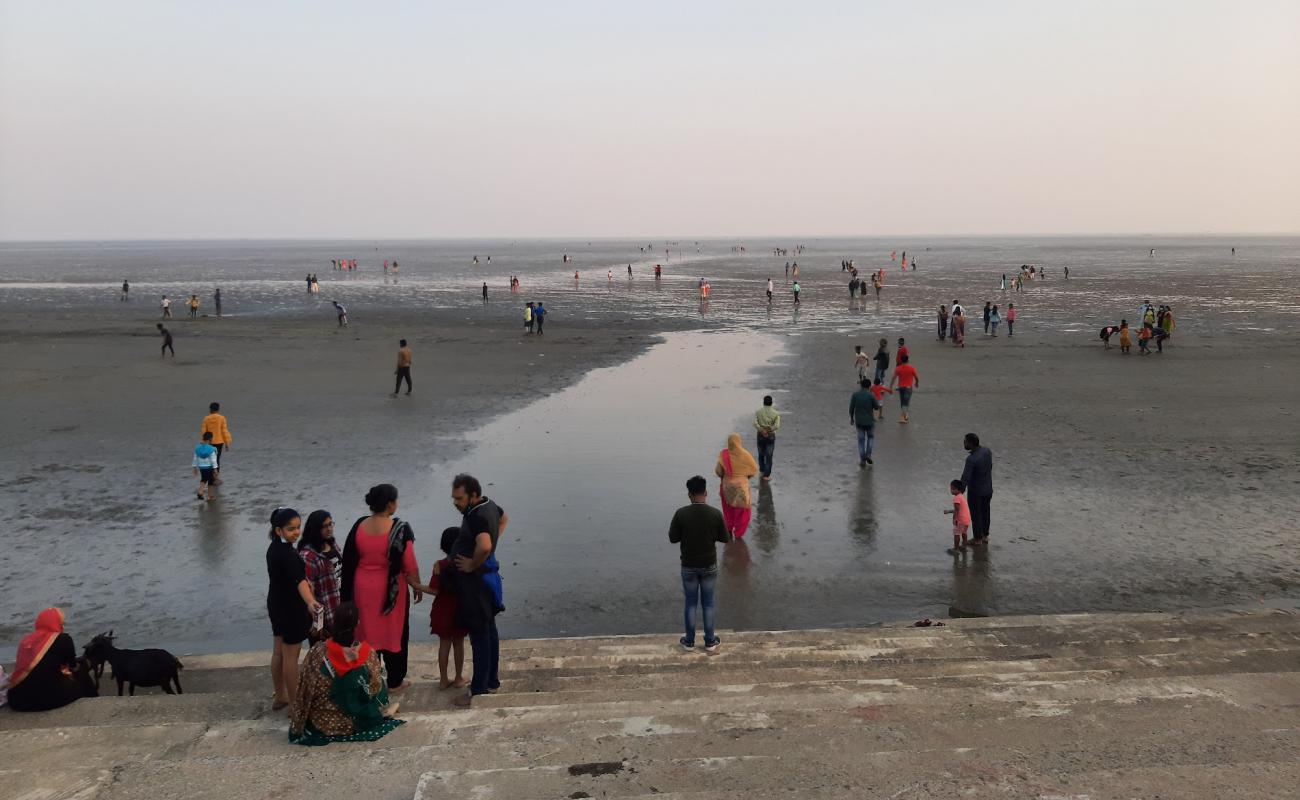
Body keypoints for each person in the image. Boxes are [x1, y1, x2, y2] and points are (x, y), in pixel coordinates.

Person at [341, 484, 427, 694]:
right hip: (391, 591)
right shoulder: (400, 528)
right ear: (390, 504)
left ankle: (371, 679)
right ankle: (395, 681)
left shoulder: (359, 526)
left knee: (366, 633)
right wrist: (416, 584)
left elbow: (349, 560)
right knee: (394, 633)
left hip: (362, 587)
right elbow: (409, 562)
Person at [288, 602, 404, 746]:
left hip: (321, 722)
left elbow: (304, 688)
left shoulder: (316, 653)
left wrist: (298, 723)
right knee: (378, 687)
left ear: (335, 622)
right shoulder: (368, 655)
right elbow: (375, 690)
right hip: (352, 724)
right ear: (357, 624)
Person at [448, 474, 510, 707]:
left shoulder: (476, 517)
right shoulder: (490, 505)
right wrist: (492, 545)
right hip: (488, 580)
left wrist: (473, 563)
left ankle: (479, 690)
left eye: (460, 498)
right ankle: (492, 681)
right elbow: (505, 519)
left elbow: (483, 545)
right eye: (453, 498)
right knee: (490, 632)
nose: (456, 503)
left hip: (477, 584)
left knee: (480, 637)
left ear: (473, 495)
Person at [267, 507, 323, 711]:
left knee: (278, 653)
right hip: (291, 607)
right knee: (291, 655)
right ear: (278, 530)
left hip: (276, 603)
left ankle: (281, 695)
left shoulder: (274, 548)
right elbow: (299, 581)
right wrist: (310, 601)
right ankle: (295, 704)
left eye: (298, 527)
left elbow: (292, 576)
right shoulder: (288, 554)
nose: (297, 532)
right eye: (291, 529)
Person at [668, 475, 731, 652]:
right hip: (709, 565)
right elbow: (725, 538)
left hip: (688, 566)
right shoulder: (715, 514)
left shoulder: (681, 513)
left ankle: (689, 641)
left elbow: (673, 538)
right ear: (705, 492)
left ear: (689, 494)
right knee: (708, 603)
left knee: (690, 603)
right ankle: (710, 641)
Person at [5, 608, 98, 712]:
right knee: (81, 671)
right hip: (49, 699)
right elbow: (72, 666)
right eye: (62, 623)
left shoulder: (25, 641)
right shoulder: (63, 638)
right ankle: (94, 700)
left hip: (17, 701)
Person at [428, 527, 470, 689]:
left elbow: (434, 590)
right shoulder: (465, 564)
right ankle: (458, 678)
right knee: (459, 644)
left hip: (442, 611)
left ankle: (443, 680)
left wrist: (416, 585)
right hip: (459, 610)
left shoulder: (439, 565)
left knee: (444, 644)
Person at [299, 510, 343, 643]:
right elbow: (309, 591)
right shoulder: (308, 556)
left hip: (340, 611)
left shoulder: (332, 544)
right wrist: (318, 624)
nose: (329, 529)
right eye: (325, 526)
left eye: (331, 524)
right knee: (324, 660)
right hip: (325, 617)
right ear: (315, 529)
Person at [714, 433, 758, 539]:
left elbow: (718, 471)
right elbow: (754, 469)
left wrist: (726, 476)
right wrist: (745, 477)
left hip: (727, 487)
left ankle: (728, 530)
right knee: (742, 512)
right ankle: (738, 534)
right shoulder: (746, 455)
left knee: (728, 510)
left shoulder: (723, 454)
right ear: (739, 442)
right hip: (741, 489)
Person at [960, 434, 994, 545]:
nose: (964, 444)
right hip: (988, 489)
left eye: (965, 442)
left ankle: (977, 538)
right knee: (985, 512)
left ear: (970, 443)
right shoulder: (987, 451)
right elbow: (990, 466)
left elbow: (965, 477)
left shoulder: (971, 459)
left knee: (976, 515)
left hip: (976, 491)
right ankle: (985, 535)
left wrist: (959, 492)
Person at [850, 378, 881, 467]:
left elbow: (851, 408)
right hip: (870, 421)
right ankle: (868, 455)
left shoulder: (855, 395)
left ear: (861, 385)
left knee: (861, 441)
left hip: (859, 421)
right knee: (870, 438)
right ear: (869, 386)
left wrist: (852, 418)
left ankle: (862, 460)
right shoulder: (871, 396)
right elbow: (876, 407)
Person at [753, 395, 780, 481]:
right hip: (770, 436)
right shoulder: (776, 413)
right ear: (771, 403)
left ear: (763, 402)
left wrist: (762, 430)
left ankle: (762, 469)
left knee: (761, 453)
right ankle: (766, 475)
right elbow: (777, 426)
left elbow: (754, 423)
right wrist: (769, 430)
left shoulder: (758, 412)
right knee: (769, 455)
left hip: (760, 435)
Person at [201, 402, 232, 474]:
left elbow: (203, 431)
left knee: (210, 459)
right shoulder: (222, 418)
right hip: (219, 442)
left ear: (210, 409)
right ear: (218, 409)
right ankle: (216, 476)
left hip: (209, 442)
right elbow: (224, 431)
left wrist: (203, 441)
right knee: (217, 459)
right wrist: (227, 443)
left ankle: (211, 475)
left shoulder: (206, 418)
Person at [889, 354, 920, 424]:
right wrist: (917, 383)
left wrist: (890, 387)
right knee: (906, 402)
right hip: (908, 388)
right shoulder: (911, 368)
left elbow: (893, 378)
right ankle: (902, 417)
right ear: (908, 360)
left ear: (901, 360)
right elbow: (916, 377)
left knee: (902, 402)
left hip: (901, 387)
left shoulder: (898, 368)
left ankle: (905, 415)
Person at [943, 480, 971, 552]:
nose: (951, 490)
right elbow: (959, 509)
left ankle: (956, 549)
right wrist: (949, 511)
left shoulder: (956, 498)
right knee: (964, 533)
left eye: (953, 489)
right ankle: (964, 547)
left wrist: (955, 519)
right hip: (967, 519)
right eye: (951, 488)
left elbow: (957, 510)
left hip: (961, 520)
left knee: (956, 534)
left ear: (958, 489)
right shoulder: (962, 496)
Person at [192, 431, 219, 501]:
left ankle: (205, 494)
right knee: (209, 481)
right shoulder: (212, 449)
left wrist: (194, 467)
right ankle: (205, 494)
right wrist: (215, 469)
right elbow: (213, 460)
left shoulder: (197, 448)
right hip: (209, 467)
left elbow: (195, 458)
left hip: (201, 467)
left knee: (205, 479)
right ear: (210, 439)